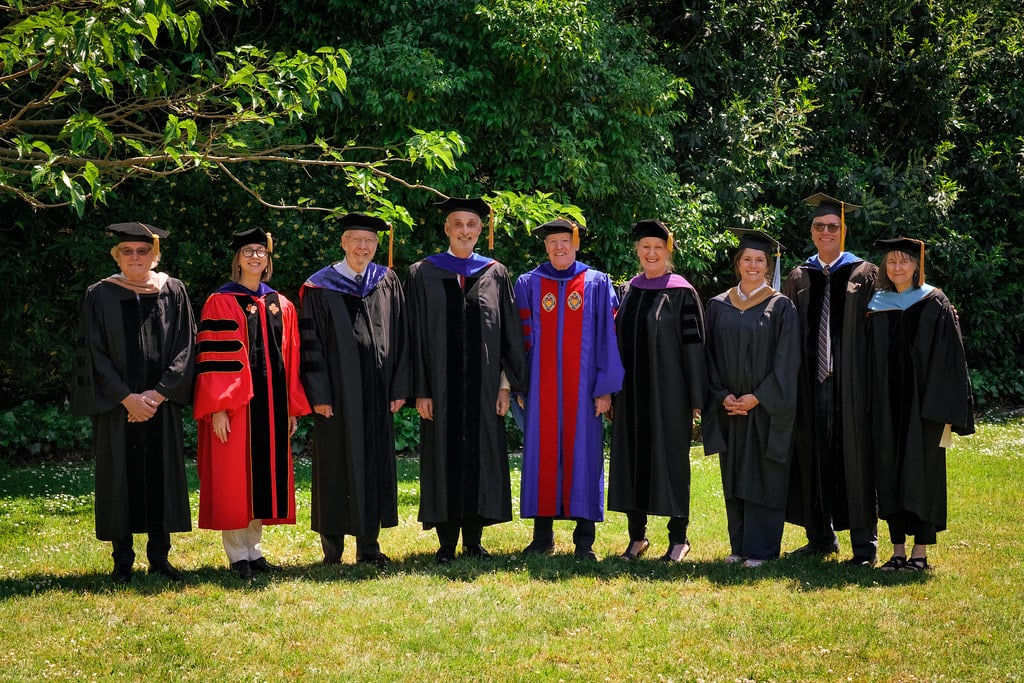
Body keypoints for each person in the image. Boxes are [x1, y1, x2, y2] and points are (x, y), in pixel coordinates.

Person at [71, 222, 196, 584]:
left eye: (143, 251)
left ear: (155, 255)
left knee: (162, 476)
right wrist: (127, 398)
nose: (136, 257)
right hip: (118, 408)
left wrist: (158, 394)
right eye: (128, 251)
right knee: (119, 478)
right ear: (117, 256)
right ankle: (121, 560)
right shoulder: (100, 294)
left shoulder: (173, 291)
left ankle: (160, 558)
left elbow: (186, 345)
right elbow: (93, 354)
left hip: (160, 404)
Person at [406, 197, 526, 563]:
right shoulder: (422, 272)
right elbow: (415, 337)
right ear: (446, 229)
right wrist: (421, 391)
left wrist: (506, 385)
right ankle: (445, 544)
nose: (464, 231)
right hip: (440, 391)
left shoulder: (495, 273)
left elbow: (508, 334)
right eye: (457, 224)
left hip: (485, 390)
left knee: (482, 457)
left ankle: (473, 542)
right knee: (443, 458)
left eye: (471, 224)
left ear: (481, 230)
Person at [193, 228, 310, 579]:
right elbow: (215, 358)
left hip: (272, 409)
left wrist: (290, 407)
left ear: (268, 259)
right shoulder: (221, 301)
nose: (255, 257)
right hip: (237, 408)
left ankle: (254, 551)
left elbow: (291, 358)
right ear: (237, 259)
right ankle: (236, 556)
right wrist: (216, 408)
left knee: (262, 481)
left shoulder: (281, 303)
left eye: (260, 251)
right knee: (235, 479)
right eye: (248, 252)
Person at [300, 213, 410, 566]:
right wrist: (320, 395)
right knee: (334, 465)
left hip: (378, 393)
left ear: (377, 246)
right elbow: (310, 346)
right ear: (344, 243)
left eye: (370, 242)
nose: (363, 247)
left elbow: (401, 336)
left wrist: (398, 387)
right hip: (338, 395)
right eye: (357, 241)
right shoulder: (319, 287)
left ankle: (369, 546)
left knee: (374, 464)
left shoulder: (386, 281)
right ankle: (332, 550)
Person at [515, 218, 625, 560]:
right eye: (553, 242)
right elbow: (518, 341)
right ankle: (542, 537)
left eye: (565, 241)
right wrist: (520, 383)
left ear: (576, 244)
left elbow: (610, 338)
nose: (559, 247)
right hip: (540, 389)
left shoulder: (596, 282)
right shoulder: (528, 284)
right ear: (545, 246)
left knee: (585, 458)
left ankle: (584, 541)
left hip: (584, 391)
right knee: (541, 456)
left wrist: (605, 388)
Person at [783, 193, 880, 566]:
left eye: (833, 227)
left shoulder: (866, 274)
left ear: (844, 230)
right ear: (812, 231)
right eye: (820, 226)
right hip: (809, 384)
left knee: (855, 458)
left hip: (852, 385)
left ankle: (864, 546)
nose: (827, 232)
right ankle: (820, 536)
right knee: (812, 455)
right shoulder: (798, 276)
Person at [866, 237, 974, 571]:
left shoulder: (935, 302)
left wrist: (945, 411)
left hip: (924, 408)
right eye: (891, 262)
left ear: (917, 265)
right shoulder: (876, 303)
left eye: (904, 261)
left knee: (922, 474)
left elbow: (950, 359)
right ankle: (897, 550)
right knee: (889, 472)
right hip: (886, 404)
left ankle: (920, 554)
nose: (897, 268)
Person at [609, 219, 707, 562]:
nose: (651, 253)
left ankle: (679, 539)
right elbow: (615, 341)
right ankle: (637, 538)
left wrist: (697, 399)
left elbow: (695, 346)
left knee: (673, 463)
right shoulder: (630, 290)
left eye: (658, 248)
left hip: (670, 394)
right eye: (645, 247)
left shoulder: (682, 291)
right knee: (632, 461)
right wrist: (611, 389)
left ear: (669, 252)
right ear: (637, 251)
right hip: (632, 394)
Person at [703, 229, 799, 567]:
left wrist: (757, 398)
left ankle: (761, 550)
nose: (753, 265)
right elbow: (708, 358)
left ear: (768, 265)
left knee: (763, 475)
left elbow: (788, 362)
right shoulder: (717, 305)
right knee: (733, 475)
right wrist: (721, 396)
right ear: (738, 264)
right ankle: (739, 546)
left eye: (760, 260)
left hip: (765, 410)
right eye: (747, 259)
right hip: (730, 408)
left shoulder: (781, 306)